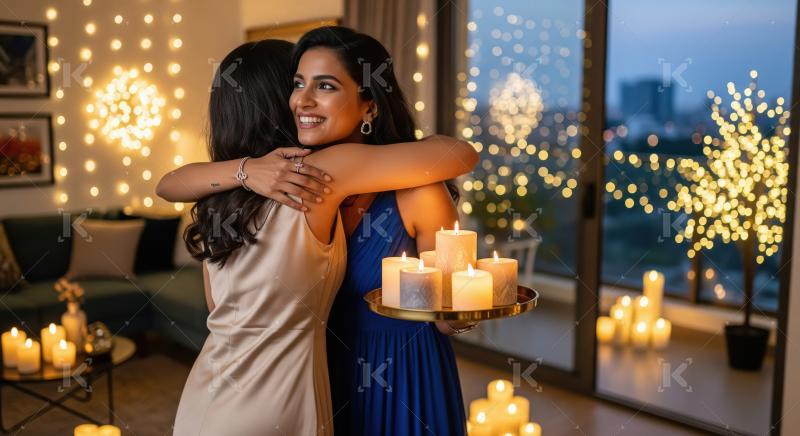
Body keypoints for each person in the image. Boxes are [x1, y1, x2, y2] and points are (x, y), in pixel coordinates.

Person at [168, 37, 477, 435]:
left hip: (398, 379)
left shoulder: (416, 191)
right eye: (296, 85)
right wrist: (246, 170)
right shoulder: (294, 185)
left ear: (369, 106)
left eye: (325, 85)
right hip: (312, 382)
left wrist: (466, 310)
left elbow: (449, 319)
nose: (303, 101)